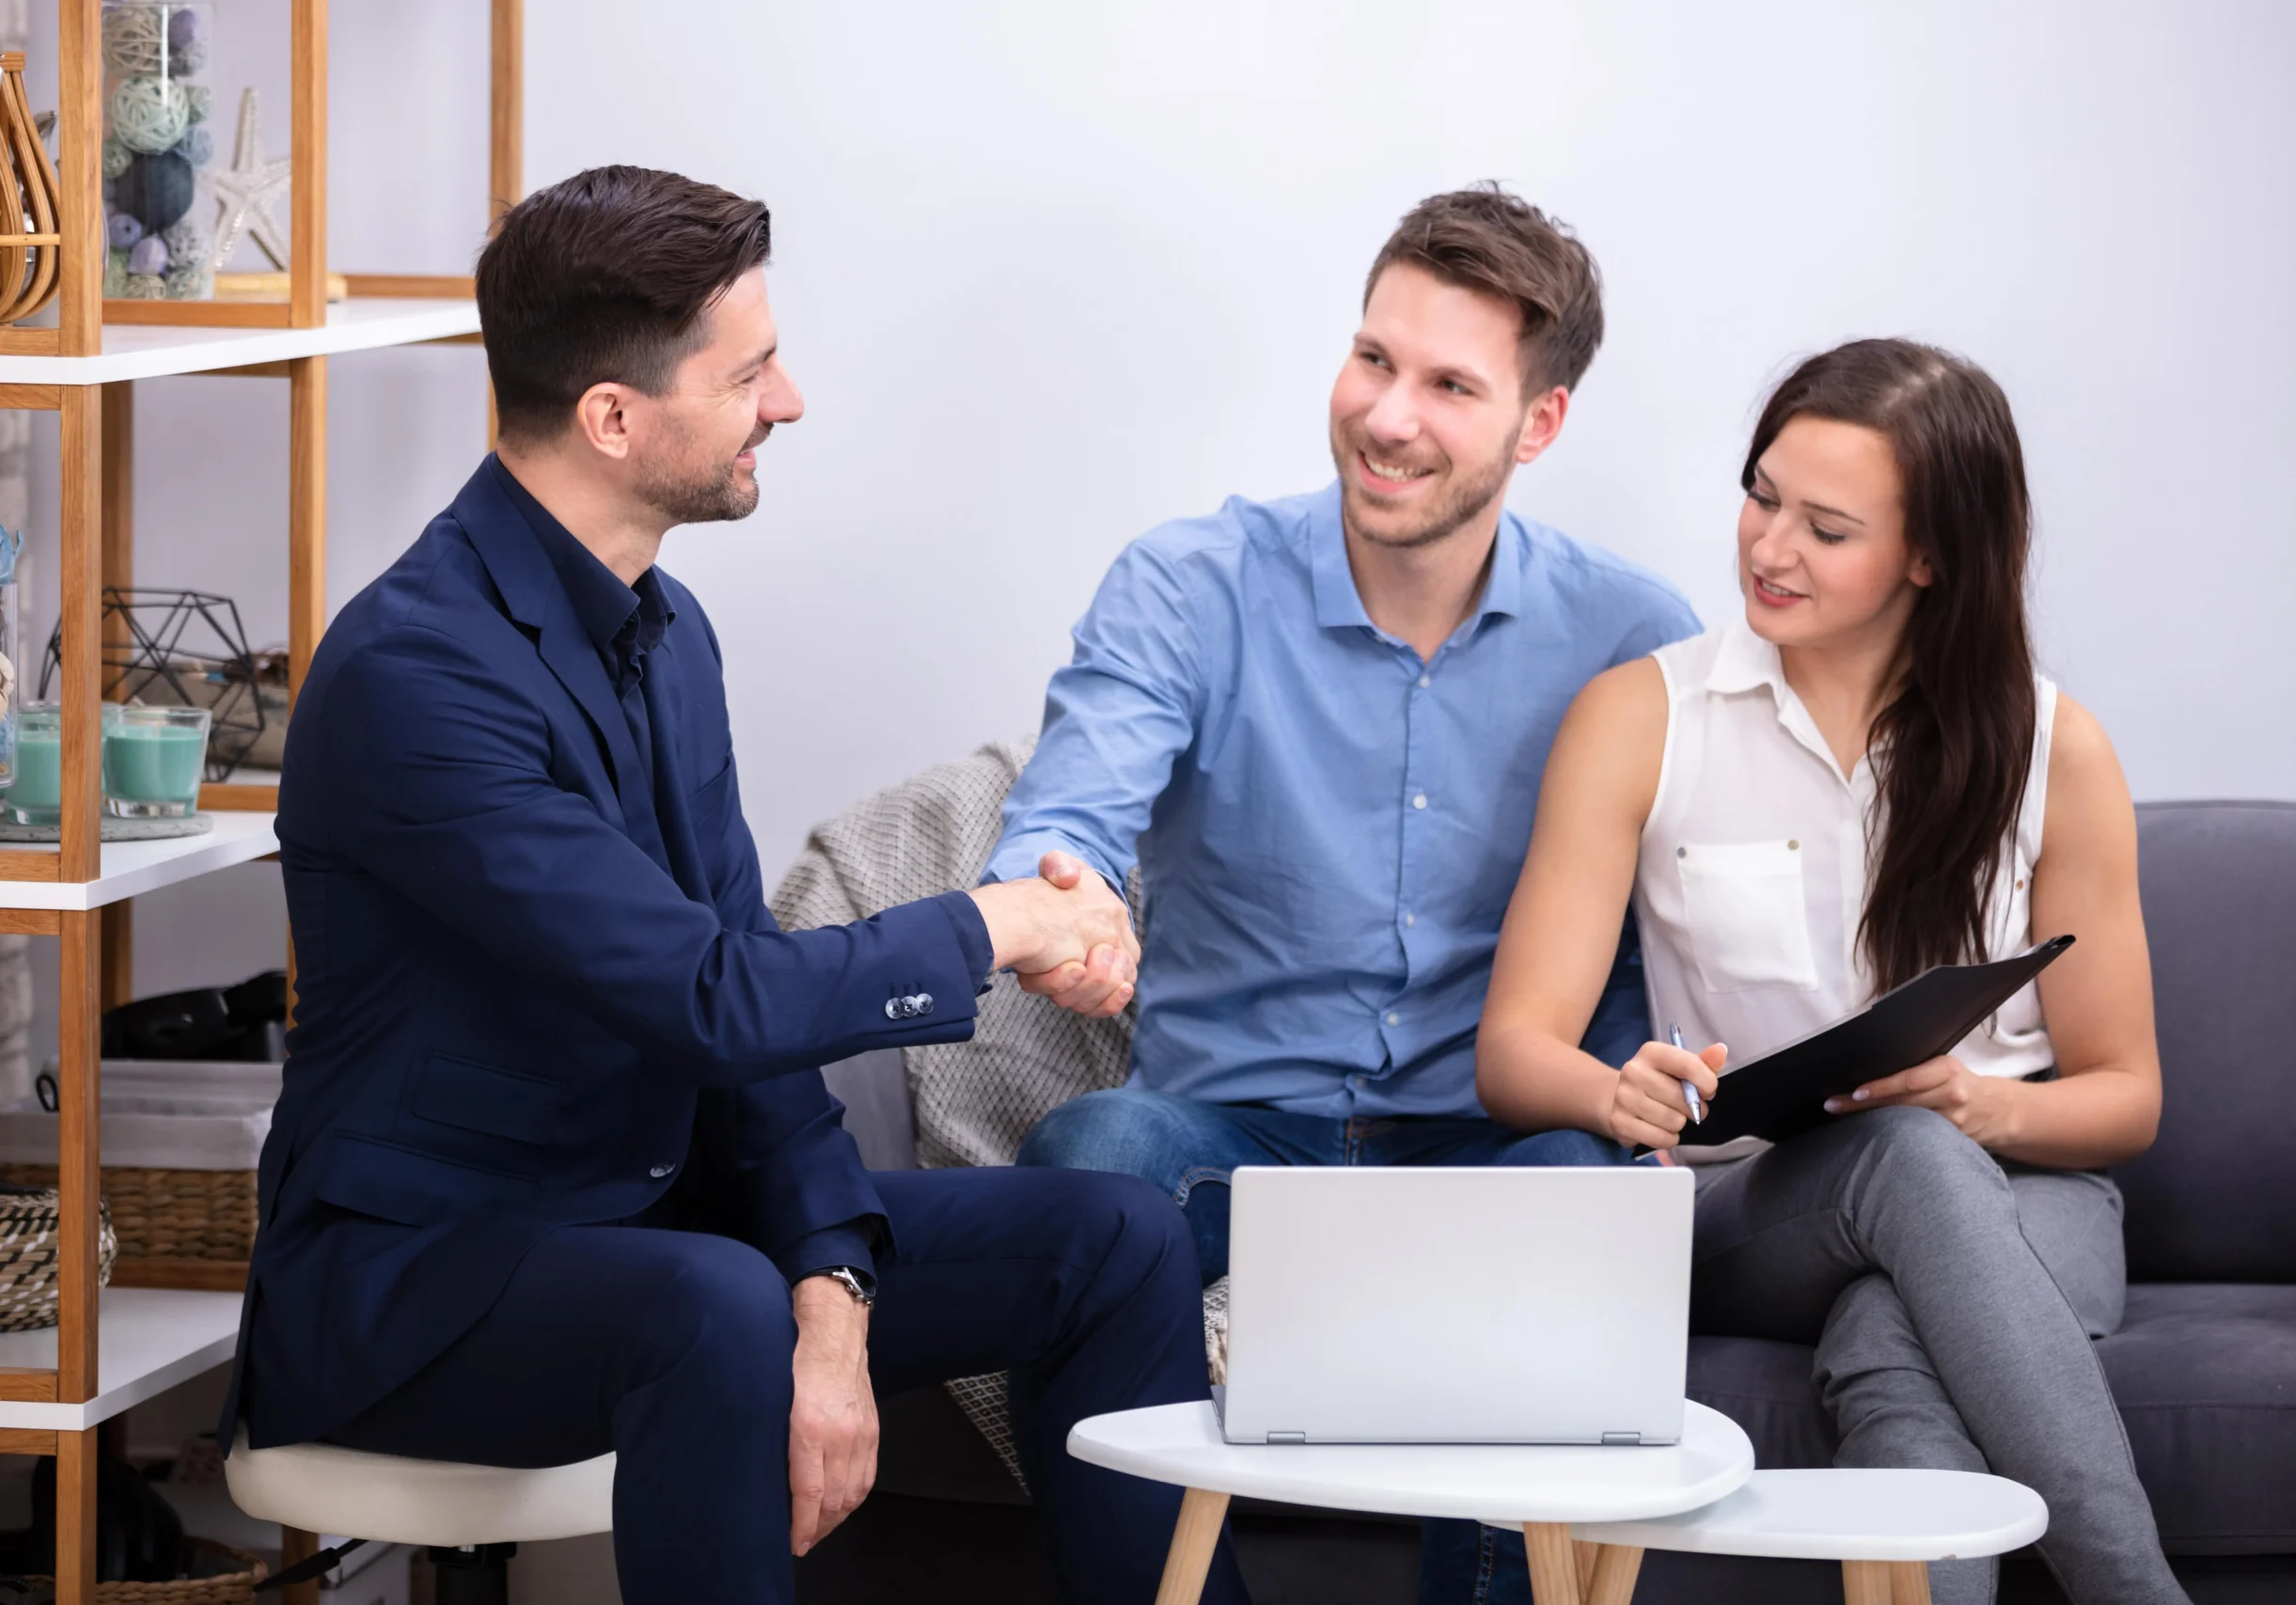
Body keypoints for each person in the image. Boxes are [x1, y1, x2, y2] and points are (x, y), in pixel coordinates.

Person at [221, 166, 1247, 1605]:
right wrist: (998, 923)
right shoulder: (415, 674)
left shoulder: (666, 630)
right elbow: (709, 1000)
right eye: (752, 369)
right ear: (613, 417)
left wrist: (832, 1285)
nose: (791, 400)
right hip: (419, 1289)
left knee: (1110, 1234)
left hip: (648, 1232)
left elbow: (743, 1009)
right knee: (710, 1300)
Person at [1001, 184, 1699, 1603]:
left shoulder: (1636, 639)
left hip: (1498, 1139)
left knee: (1580, 1211)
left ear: (1539, 423)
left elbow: (1706, 924)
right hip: (1232, 1133)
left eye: (1451, 384)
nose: (1389, 415)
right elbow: (1065, 817)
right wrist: (1064, 906)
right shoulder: (1190, 585)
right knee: (1087, 1158)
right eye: (1375, 358)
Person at [1476, 338, 2191, 1605]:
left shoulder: (2054, 749)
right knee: (1907, 1163)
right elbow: (1514, 1049)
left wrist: (1983, 1104)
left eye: (1827, 526)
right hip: (1762, 1207)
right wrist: (1612, 1092)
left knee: (1893, 1344)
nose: (1769, 546)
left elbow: (2124, 1095)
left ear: (1929, 557)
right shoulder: (1642, 717)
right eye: (1761, 497)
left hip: (2031, 1196)